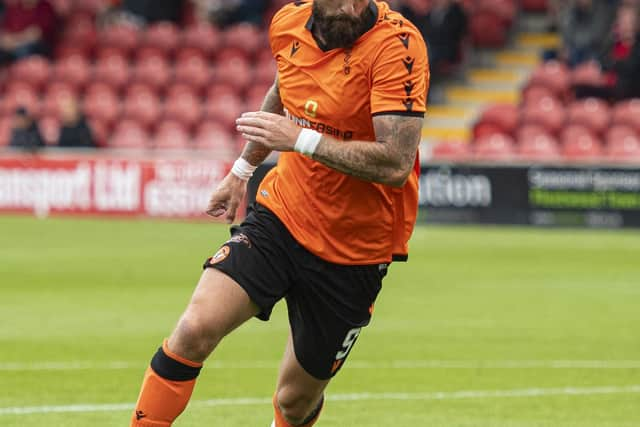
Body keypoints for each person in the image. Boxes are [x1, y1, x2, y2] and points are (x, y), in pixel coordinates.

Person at [129, 0, 428, 426]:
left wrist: (302, 140)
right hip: (282, 217)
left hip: (355, 249)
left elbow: (396, 163)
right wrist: (241, 171)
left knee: (294, 402)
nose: (349, 5)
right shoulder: (288, 23)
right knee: (193, 330)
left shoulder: (399, 46)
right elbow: (282, 92)